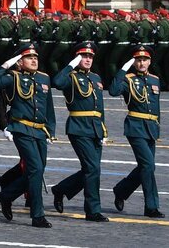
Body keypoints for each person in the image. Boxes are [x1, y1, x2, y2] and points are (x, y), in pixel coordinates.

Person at [0, 42, 56, 228]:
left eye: (35, 57)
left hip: (40, 130)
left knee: (38, 169)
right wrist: (7, 64)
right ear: (20, 61)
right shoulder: (13, 77)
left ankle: (6, 195)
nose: (34, 60)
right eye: (28, 57)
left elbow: (49, 107)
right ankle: (38, 215)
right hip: (22, 129)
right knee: (35, 168)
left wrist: (51, 129)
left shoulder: (44, 78)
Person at [51, 41, 109, 222]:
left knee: (92, 169)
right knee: (92, 168)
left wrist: (104, 130)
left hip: (95, 129)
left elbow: (100, 107)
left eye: (91, 56)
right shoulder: (70, 77)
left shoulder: (97, 78)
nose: (88, 59)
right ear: (77, 57)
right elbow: (57, 82)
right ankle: (93, 210)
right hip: (78, 127)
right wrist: (70, 65)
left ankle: (61, 189)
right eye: (84, 56)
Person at [110, 44, 163, 218]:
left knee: (145, 167)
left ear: (150, 61)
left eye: (145, 60)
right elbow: (113, 91)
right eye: (138, 60)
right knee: (149, 165)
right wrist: (122, 70)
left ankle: (121, 190)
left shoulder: (155, 80)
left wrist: (158, 127)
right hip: (136, 127)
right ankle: (151, 207)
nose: (142, 63)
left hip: (151, 129)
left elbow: (156, 107)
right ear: (134, 62)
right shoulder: (128, 79)